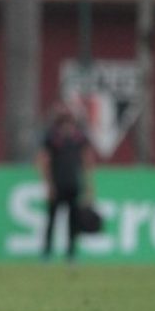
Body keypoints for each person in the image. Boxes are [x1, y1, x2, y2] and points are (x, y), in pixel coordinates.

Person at [36, 101, 95, 262]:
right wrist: (48, 184)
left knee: (73, 222)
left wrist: (88, 185)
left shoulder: (79, 139)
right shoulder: (52, 139)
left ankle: (71, 253)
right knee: (52, 220)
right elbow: (43, 161)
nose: (68, 126)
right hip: (57, 185)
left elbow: (86, 162)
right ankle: (47, 253)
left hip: (73, 185)